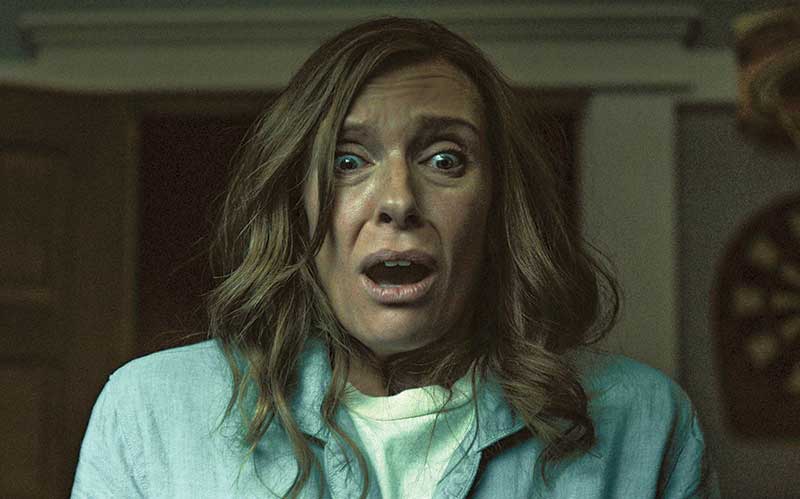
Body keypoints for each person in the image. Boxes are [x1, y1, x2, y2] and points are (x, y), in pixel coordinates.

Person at [71, 16, 719, 499]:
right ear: (298, 207)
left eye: (445, 159)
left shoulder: (643, 421)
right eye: (348, 161)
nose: (399, 201)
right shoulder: (153, 412)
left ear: (498, 208)